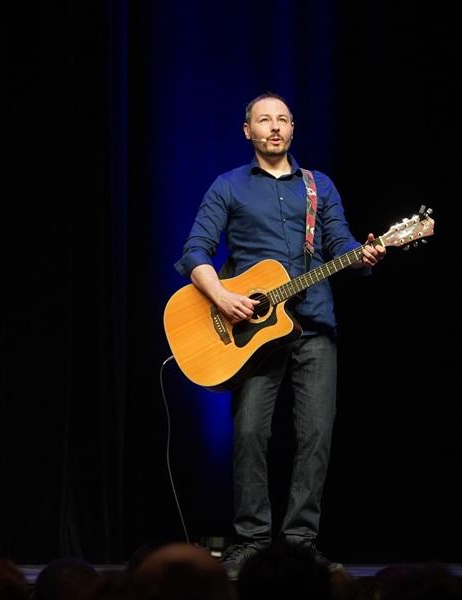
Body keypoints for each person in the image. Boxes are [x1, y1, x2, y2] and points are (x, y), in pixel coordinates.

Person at [173, 92, 385, 580]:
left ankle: (300, 544)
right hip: (252, 333)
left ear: (293, 129)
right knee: (249, 433)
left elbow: (340, 242)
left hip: (315, 326)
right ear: (246, 130)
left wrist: (365, 253)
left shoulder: (319, 186)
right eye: (264, 120)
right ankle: (251, 542)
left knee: (316, 436)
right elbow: (195, 251)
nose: (275, 127)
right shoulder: (228, 186)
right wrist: (223, 298)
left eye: (283, 119)